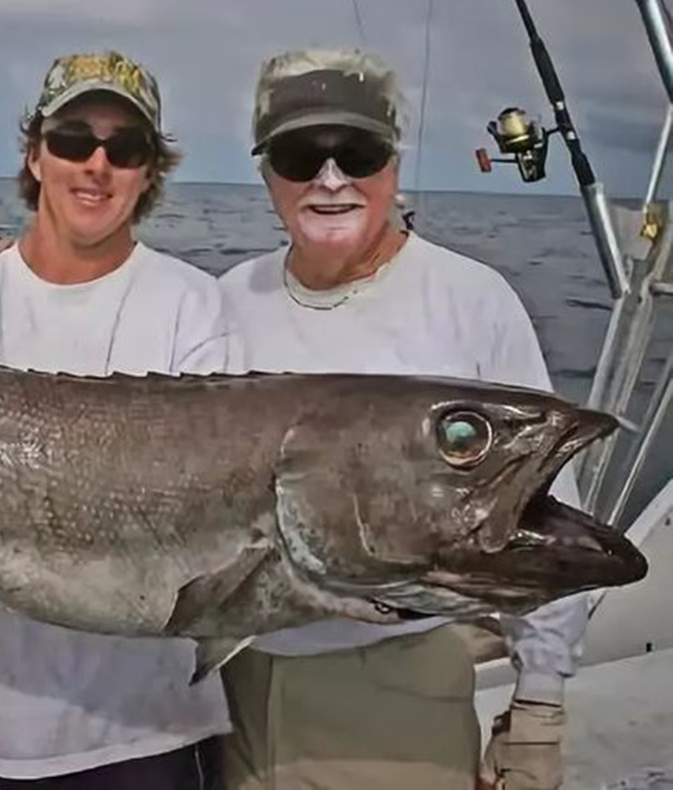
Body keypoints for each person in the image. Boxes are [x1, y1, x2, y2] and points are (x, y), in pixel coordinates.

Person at [215, 47, 584, 790]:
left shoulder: (471, 299)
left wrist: (538, 704)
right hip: (228, 688)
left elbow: (543, 525)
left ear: (394, 163)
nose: (330, 180)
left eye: (357, 153)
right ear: (266, 173)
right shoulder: (223, 299)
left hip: (396, 691)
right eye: (298, 156)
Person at [0, 50, 234, 788]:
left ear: (149, 172)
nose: (96, 165)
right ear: (35, 155)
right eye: (74, 139)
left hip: (145, 730)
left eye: (125, 148)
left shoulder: (196, 307)